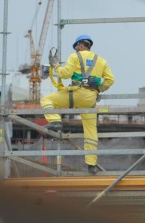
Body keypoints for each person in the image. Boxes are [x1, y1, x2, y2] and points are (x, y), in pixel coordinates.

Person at [41, 34, 115, 175]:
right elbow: (110, 80)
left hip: (75, 94)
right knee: (91, 130)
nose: (76, 49)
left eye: (76, 47)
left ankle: (55, 121)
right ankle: (91, 164)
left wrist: (55, 65)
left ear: (80, 45)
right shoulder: (101, 61)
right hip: (90, 97)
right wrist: (99, 89)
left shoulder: (74, 57)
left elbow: (64, 74)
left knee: (47, 100)